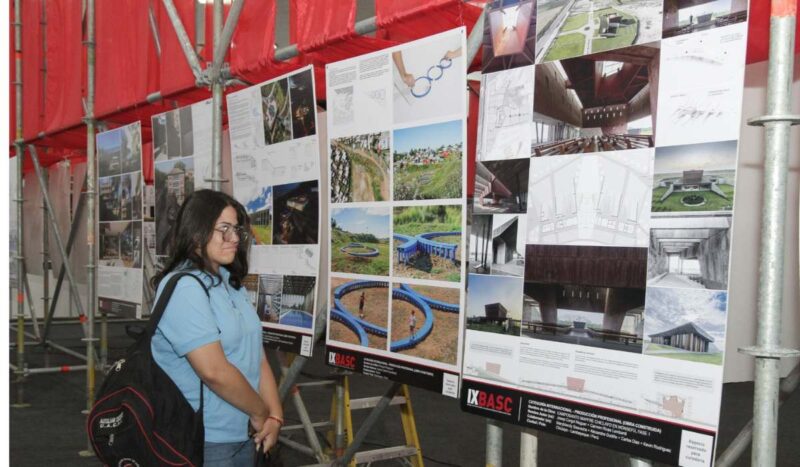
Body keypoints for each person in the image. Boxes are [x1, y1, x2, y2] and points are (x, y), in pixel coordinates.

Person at [150, 189, 283, 467]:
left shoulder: (228, 282)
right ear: (197, 231)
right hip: (205, 439)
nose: (234, 238)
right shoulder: (184, 287)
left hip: (245, 433)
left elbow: (256, 356)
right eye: (224, 229)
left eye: (236, 229)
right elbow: (214, 372)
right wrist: (260, 412)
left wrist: (274, 416)